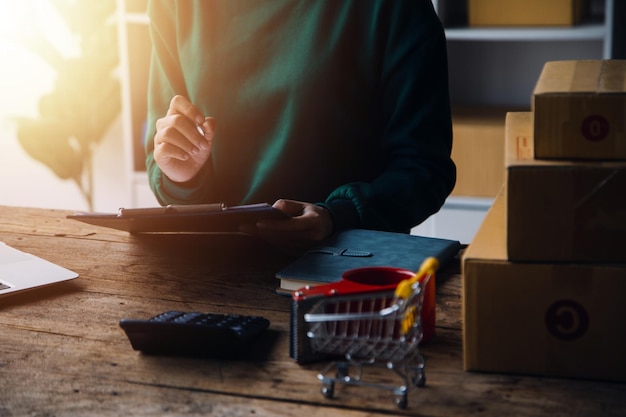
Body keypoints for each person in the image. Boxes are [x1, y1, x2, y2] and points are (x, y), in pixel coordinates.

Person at [144, 1, 456, 251]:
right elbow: (162, 157)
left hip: (345, 274)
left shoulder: (394, 8)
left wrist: (338, 217)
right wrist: (182, 177)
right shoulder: (173, 5)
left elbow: (424, 167)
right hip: (206, 267)